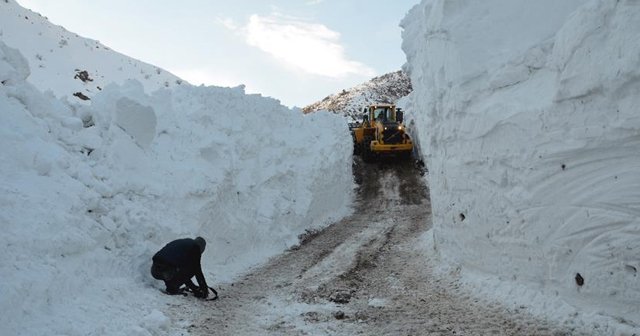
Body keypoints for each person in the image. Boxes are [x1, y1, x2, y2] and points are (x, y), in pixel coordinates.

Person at [151, 236, 217, 299]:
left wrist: (193, 288)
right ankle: (172, 289)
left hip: (154, 271)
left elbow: (183, 271)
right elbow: (197, 271)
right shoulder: (195, 247)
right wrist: (204, 289)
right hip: (165, 272)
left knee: (178, 267)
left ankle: (171, 288)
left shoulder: (185, 244)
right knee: (192, 269)